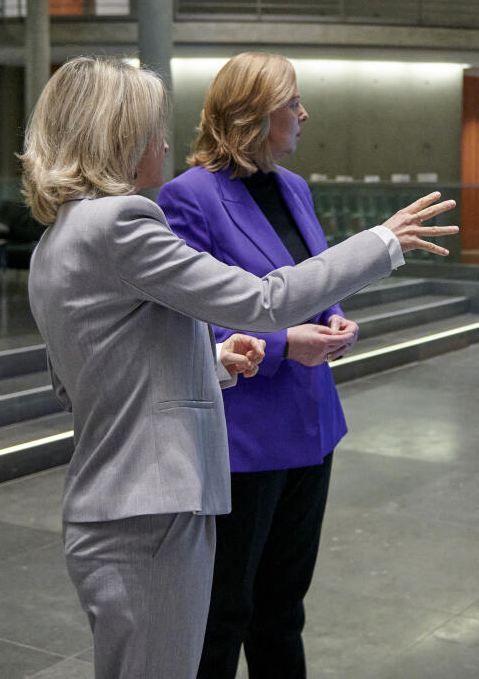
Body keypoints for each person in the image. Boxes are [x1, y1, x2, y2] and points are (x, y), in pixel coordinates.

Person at [20, 56, 458, 679]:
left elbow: (82, 376)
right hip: (152, 508)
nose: (164, 142)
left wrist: (214, 358)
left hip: (112, 505)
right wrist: (383, 241)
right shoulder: (122, 221)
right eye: (151, 128)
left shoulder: (56, 238)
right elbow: (263, 301)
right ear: (118, 136)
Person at [154, 53, 362, 678]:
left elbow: (315, 281)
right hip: (244, 433)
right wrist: (278, 346)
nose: (304, 113)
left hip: (313, 425)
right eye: (291, 102)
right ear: (252, 115)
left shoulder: (294, 187)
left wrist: (335, 321)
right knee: (226, 610)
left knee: (283, 608)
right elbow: (188, 313)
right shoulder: (188, 197)